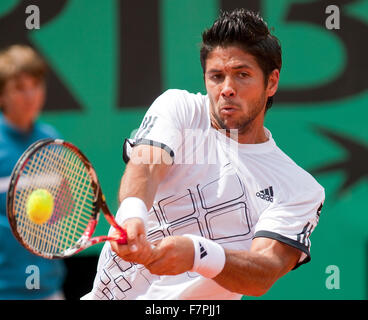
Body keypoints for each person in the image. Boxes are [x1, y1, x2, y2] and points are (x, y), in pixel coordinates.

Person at [84, 9, 325, 300]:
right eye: (216, 76)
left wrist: (199, 255)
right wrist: (132, 214)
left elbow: (264, 271)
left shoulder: (299, 189)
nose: (226, 89)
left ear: (271, 82)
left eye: (242, 75)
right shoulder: (181, 109)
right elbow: (146, 167)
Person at [0, 44, 66, 299]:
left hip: (48, 289)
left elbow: (63, 209)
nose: (30, 95)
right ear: (2, 96)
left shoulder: (51, 140)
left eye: (36, 85)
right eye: (19, 88)